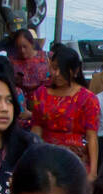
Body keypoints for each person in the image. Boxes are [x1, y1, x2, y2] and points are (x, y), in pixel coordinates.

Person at [28, 44, 99, 179]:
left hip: (76, 162)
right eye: (54, 68)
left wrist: (93, 172)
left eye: (63, 69)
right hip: (45, 160)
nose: (57, 74)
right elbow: (36, 129)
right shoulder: (40, 94)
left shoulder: (88, 98)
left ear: (75, 71)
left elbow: (92, 136)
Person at [6, 29, 50, 106]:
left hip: (44, 102)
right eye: (19, 47)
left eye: (25, 46)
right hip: (21, 105)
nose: (22, 50)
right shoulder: (11, 62)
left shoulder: (47, 58)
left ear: (32, 44)